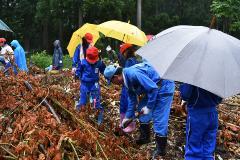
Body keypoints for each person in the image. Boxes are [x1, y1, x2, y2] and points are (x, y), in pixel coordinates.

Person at [104, 62, 175, 158]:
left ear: (116, 77)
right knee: (141, 109)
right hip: (152, 88)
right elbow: (132, 99)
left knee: (159, 118)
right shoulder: (126, 79)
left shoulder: (133, 74)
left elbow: (153, 89)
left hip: (163, 87)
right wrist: (127, 117)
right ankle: (145, 137)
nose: (113, 84)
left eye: (111, 81)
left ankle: (161, 150)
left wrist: (149, 107)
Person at [180, 84, 222, 160]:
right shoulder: (218, 77)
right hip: (212, 113)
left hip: (197, 114)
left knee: (193, 149)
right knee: (208, 149)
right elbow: (220, 98)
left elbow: (185, 94)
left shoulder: (194, 74)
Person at [76, 46, 106, 125]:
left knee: (96, 101)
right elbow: (79, 70)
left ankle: (98, 120)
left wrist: (108, 74)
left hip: (94, 84)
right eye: (90, 60)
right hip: (84, 84)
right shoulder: (83, 62)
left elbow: (104, 71)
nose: (92, 62)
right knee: (83, 100)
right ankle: (79, 118)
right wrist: (77, 74)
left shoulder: (99, 63)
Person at [117, 43, 139, 133]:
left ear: (126, 52)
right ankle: (124, 123)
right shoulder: (132, 60)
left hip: (128, 86)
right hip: (127, 86)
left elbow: (128, 74)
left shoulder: (130, 61)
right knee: (124, 104)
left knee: (127, 104)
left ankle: (128, 125)